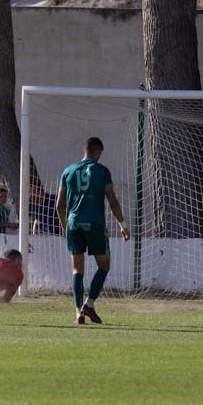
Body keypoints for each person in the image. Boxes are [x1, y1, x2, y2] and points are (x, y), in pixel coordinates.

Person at [57, 136, 131, 325]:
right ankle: (88, 304)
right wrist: (123, 225)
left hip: (73, 223)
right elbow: (112, 200)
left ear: (85, 150)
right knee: (104, 265)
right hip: (94, 223)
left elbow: (59, 205)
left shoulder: (68, 171)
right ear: (97, 151)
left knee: (77, 269)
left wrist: (66, 228)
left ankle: (78, 313)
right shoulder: (102, 171)